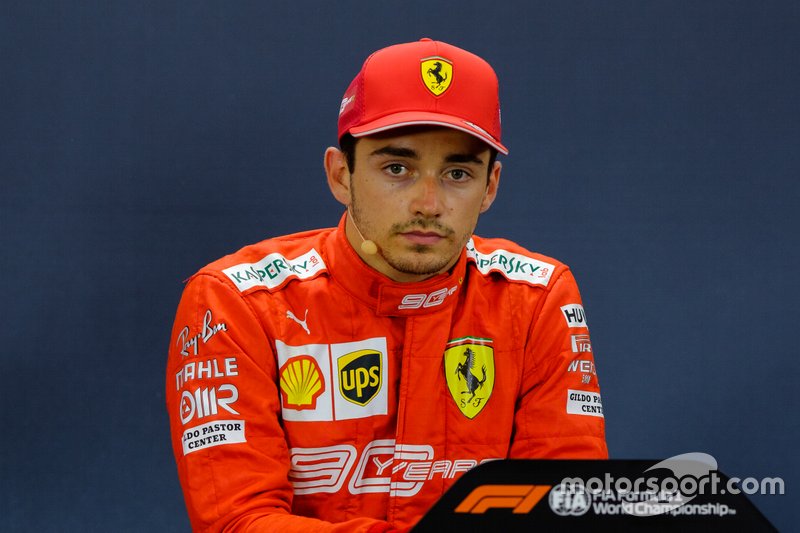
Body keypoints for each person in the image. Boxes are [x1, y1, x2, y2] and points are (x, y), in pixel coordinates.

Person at [166, 38, 607, 532]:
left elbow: (567, 506)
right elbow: (238, 521)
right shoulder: (234, 301)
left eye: (458, 173)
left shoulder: (538, 298)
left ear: (491, 187)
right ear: (340, 175)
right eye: (397, 168)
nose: (428, 202)